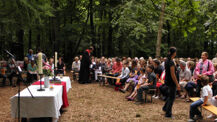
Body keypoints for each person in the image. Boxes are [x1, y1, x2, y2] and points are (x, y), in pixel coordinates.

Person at [162, 47, 181, 118]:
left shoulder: (167, 60)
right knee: (172, 97)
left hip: (168, 80)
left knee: (170, 96)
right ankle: (168, 113)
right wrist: (177, 84)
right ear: (174, 53)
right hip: (171, 82)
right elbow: (173, 74)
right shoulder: (171, 62)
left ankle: (165, 108)